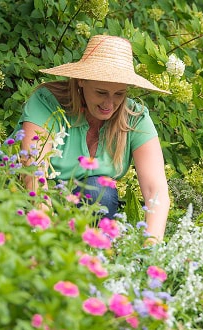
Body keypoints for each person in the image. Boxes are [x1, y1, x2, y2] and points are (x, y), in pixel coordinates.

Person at [18, 34, 171, 244]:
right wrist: (47, 236)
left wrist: (151, 244)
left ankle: (92, 260)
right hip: (32, 197)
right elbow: (33, 170)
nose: (110, 103)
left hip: (85, 208)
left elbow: (156, 189)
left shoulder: (134, 118)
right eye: (101, 92)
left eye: (119, 94)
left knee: (101, 193)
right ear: (81, 80)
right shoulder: (47, 102)